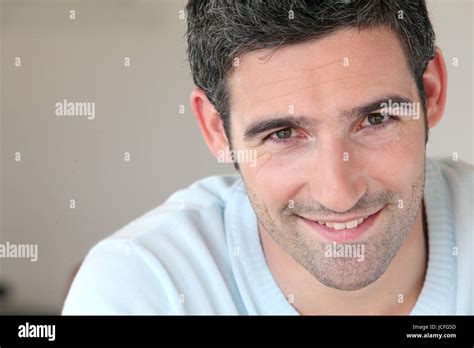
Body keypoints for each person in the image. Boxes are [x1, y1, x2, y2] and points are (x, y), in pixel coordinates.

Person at [62, 0, 473, 315]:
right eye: (283, 134)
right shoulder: (143, 287)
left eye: (376, 118)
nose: (338, 194)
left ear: (431, 92)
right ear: (216, 130)